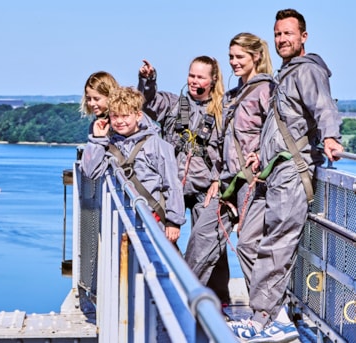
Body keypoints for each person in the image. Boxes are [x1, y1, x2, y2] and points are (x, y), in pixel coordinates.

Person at [230, 9, 343, 342]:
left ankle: (264, 319)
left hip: (293, 174)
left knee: (277, 246)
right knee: (248, 240)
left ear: (303, 37)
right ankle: (271, 311)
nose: (282, 40)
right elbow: (283, 123)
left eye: (288, 34)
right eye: (278, 35)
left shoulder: (307, 71)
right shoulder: (286, 74)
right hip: (271, 172)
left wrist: (332, 136)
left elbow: (323, 107)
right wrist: (260, 153)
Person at [183, 32, 275, 312]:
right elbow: (221, 144)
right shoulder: (232, 95)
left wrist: (261, 156)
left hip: (253, 181)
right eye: (231, 57)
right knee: (201, 236)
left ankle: (265, 313)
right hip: (226, 183)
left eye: (239, 57)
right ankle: (186, 298)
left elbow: (277, 132)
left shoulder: (268, 90)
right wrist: (215, 178)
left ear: (256, 57)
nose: (233, 62)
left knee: (249, 247)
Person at [138, 56, 228, 303]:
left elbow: (230, 150)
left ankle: (219, 297)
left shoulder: (223, 111)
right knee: (164, 238)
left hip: (205, 186)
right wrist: (147, 80)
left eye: (200, 77)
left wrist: (218, 179)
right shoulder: (173, 104)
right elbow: (147, 103)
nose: (194, 81)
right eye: (191, 75)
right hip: (172, 185)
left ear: (212, 80)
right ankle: (171, 290)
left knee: (210, 242)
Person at [80, 86, 186, 243]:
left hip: (151, 220)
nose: (120, 121)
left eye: (125, 115)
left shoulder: (157, 145)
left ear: (138, 116)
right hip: (120, 222)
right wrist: (97, 140)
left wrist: (174, 221)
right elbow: (90, 172)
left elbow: (172, 184)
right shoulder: (108, 145)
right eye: (115, 116)